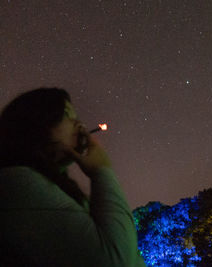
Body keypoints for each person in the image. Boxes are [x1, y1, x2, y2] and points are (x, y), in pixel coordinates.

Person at [0, 88, 146, 266]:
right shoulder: (18, 185)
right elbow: (115, 260)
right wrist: (102, 170)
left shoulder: (35, 185)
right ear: (37, 123)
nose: (80, 124)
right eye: (67, 115)